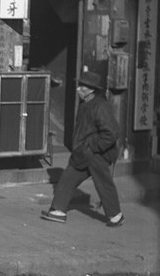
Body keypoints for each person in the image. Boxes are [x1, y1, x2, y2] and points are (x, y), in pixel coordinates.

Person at [41, 70, 124, 227]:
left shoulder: (99, 106)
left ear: (91, 90)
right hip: (84, 152)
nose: (78, 89)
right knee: (69, 178)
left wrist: (92, 145)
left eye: (82, 86)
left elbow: (112, 132)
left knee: (103, 183)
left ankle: (115, 216)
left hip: (95, 153)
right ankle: (58, 211)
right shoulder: (86, 103)